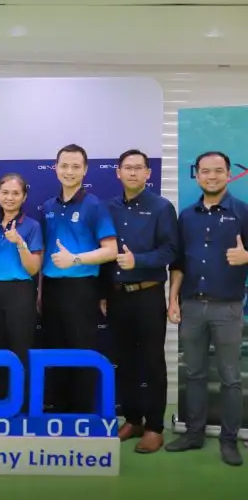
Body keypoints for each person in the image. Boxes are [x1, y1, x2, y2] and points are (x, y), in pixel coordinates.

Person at [166, 151, 247, 467]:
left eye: (218, 171)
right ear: (197, 175)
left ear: (228, 174)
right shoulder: (186, 216)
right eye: (205, 171)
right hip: (191, 306)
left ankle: (229, 440)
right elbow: (178, 263)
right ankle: (194, 434)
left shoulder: (243, 212)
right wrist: (173, 299)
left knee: (230, 378)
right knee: (195, 373)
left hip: (227, 308)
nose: (211, 176)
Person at [100, 150, 178, 454]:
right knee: (124, 362)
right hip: (117, 297)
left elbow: (171, 251)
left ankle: (155, 427)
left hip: (148, 294)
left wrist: (139, 261)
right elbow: (103, 253)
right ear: (117, 172)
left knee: (152, 362)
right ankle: (132, 420)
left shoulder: (161, 207)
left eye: (138, 168)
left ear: (148, 173)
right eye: (127, 168)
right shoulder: (108, 208)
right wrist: (104, 292)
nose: (132, 173)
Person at [40, 143, 117, 414]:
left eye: (75, 166)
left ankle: (82, 415)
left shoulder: (95, 205)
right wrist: (40, 291)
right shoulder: (48, 206)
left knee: (81, 351)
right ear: (55, 168)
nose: (69, 171)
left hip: (82, 289)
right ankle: (59, 412)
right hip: (52, 289)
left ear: (85, 170)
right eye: (64, 166)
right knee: (55, 350)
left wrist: (75, 259)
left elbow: (111, 250)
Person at [0, 173, 43, 410]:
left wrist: (20, 243)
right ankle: (3, 402)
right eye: (5, 193)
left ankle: (22, 405)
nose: (10, 197)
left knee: (20, 349)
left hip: (20, 291)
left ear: (24, 197)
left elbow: (33, 268)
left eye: (16, 193)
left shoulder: (32, 226)